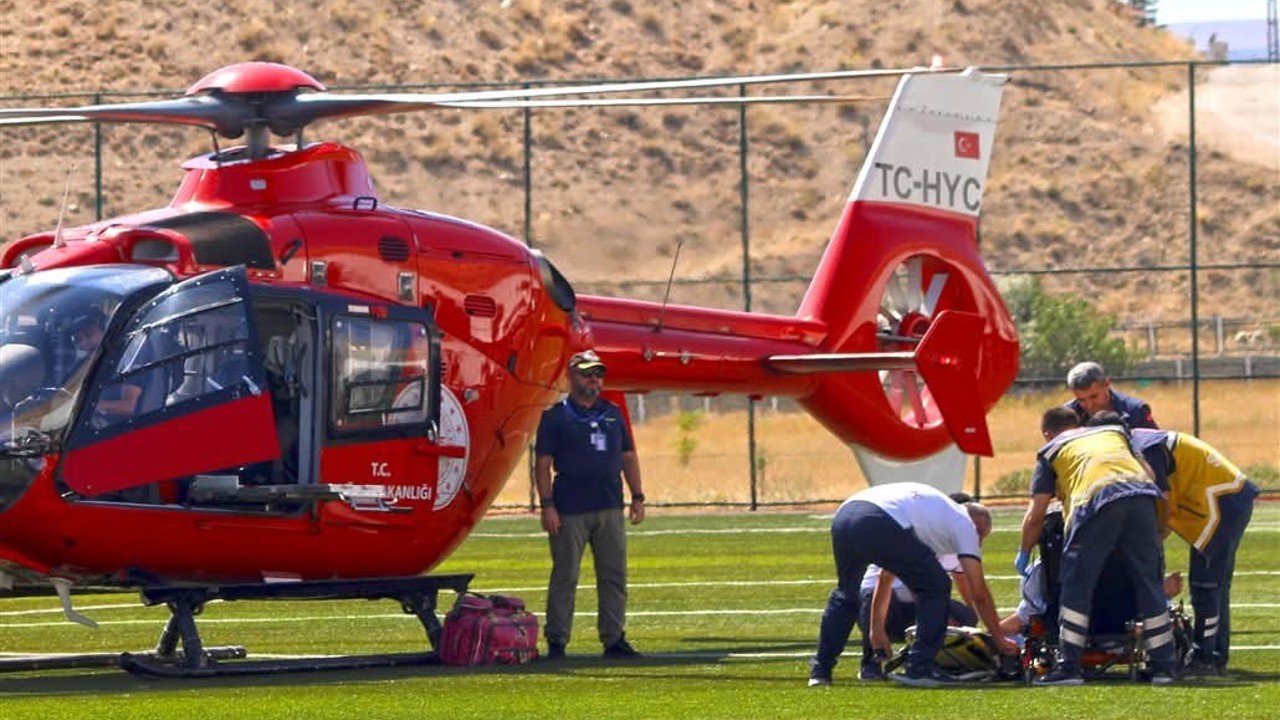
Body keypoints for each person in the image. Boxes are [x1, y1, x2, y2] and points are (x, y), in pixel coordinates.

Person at [1017, 407, 1176, 685]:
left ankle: (1069, 667)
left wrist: (1025, 550)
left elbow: (1036, 515)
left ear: (1048, 434)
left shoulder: (1051, 450)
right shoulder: (1114, 433)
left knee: (1076, 584)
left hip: (1095, 501)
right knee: (1149, 583)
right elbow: (1150, 475)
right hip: (1141, 497)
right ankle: (1164, 668)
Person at [808, 482, 1016, 688]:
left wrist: (876, 630)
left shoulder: (937, 518)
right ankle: (920, 667)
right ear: (975, 526)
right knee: (936, 585)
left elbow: (886, 575)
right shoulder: (965, 525)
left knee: (847, 593)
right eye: (980, 536)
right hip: (881, 518)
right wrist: (999, 639)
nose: (978, 543)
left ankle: (820, 671)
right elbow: (979, 593)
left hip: (846, 514)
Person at [1123, 420, 1260, 674]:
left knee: (1206, 585)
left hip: (1219, 501)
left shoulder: (1143, 447)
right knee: (1216, 587)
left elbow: (1162, 497)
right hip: (1224, 497)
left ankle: (1204, 657)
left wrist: (1153, 538)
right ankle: (1214, 655)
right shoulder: (1144, 440)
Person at [534, 350, 646, 661]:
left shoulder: (612, 413)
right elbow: (542, 464)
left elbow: (628, 456)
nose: (593, 379)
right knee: (565, 576)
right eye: (586, 374)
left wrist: (637, 496)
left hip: (609, 505)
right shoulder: (555, 417)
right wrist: (547, 505)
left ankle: (614, 638)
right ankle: (557, 640)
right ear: (571, 377)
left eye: (597, 374)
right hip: (569, 509)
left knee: (613, 575)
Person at [66, 308, 142, 419]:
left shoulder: (129, 357)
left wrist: (84, 407)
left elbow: (128, 406)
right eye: (78, 339)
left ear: (106, 330)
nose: (84, 343)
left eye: (89, 334)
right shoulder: (82, 364)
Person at [1064, 361, 1157, 429]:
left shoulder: (1135, 411)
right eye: (1081, 400)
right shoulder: (1066, 417)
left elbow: (1154, 445)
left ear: (1106, 384)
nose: (1089, 405)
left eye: (1094, 397)